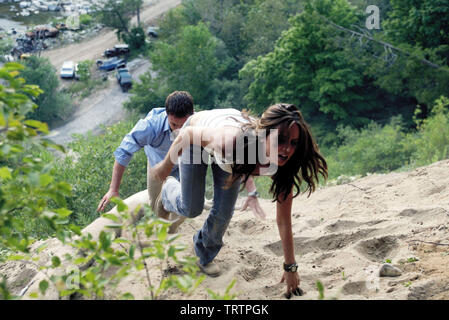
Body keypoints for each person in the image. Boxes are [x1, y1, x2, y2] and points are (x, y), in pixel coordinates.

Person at [151, 103, 328, 297]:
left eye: (294, 142)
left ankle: (203, 252)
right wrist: (165, 167)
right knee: (192, 208)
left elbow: (284, 221)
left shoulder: (283, 163)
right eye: (281, 140)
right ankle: (169, 191)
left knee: (224, 212)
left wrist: (290, 267)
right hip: (196, 139)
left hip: (233, 158)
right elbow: (187, 135)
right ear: (264, 135)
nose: (287, 149)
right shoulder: (231, 142)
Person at [97, 91, 265, 225]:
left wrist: (251, 190)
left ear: (191, 115)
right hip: (159, 166)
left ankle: (175, 227)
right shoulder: (150, 126)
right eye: (173, 125)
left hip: (187, 163)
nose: (178, 130)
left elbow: (239, 156)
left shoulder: (199, 123)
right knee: (158, 208)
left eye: (182, 125)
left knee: (189, 207)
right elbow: (124, 152)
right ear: (166, 115)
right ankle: (165, 228)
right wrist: (114, 189)